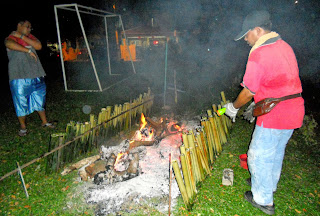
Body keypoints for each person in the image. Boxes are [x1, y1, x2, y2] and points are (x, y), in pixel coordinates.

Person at [224, 10, 305, 215]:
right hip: (294, 110)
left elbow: (249, 90)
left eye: (246, 35)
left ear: (257, 30)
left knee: (257, 155)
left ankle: (263, 199)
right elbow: (279, 80)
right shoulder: (284, 46)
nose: (245, 40)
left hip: (275, 113)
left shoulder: (260, 52)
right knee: (275, 152)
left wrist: (234, 107)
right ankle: (268, 185)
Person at [5, 20, 55, 136]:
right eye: (27, 27)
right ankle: (23, 127)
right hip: (19, 77)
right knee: (20, 102)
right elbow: (9, 44)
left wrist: (22, 36)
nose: (29, 29)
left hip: (36, 74)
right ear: (19, 25)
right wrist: (27, 50)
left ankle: (44, 122)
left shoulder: (30, 37)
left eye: (30, 28)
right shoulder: (10, 38)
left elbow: (38, 46)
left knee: (40, 100)